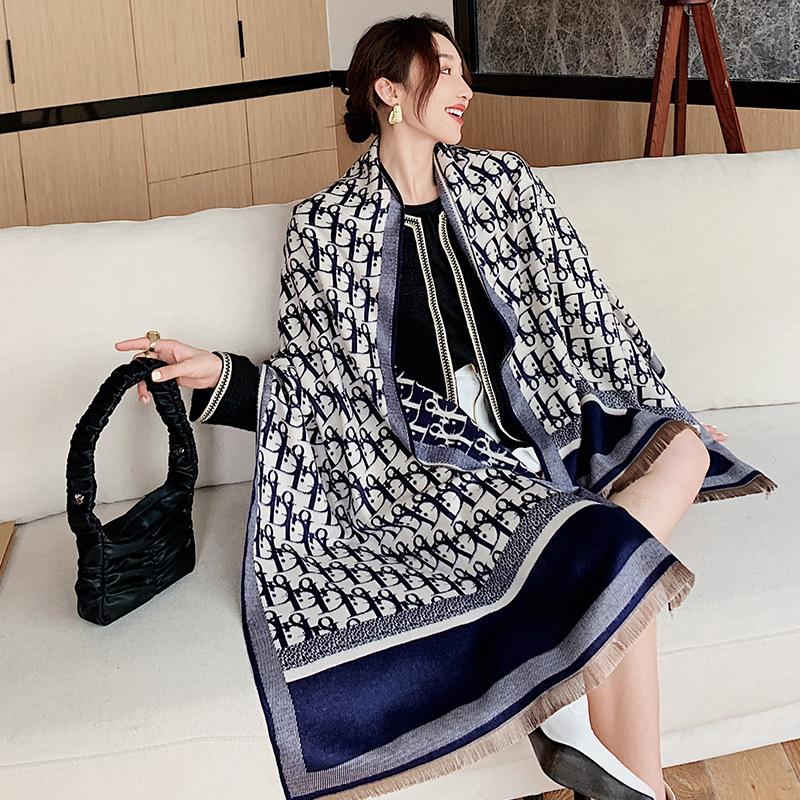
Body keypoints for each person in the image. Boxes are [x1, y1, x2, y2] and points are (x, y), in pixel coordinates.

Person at [114, 16, 760, 800]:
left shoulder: (504, 184)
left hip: (549, 418)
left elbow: (588, 307)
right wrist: (219, 374)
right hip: (435, 456)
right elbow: (323, 386)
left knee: (684, 448)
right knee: (608, 547)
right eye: (445, 70)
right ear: (389, 90)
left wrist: (664, 402)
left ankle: (564, 646)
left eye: (462, 72)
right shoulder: (326, 227)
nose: (466, 89)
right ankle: (644, 787)